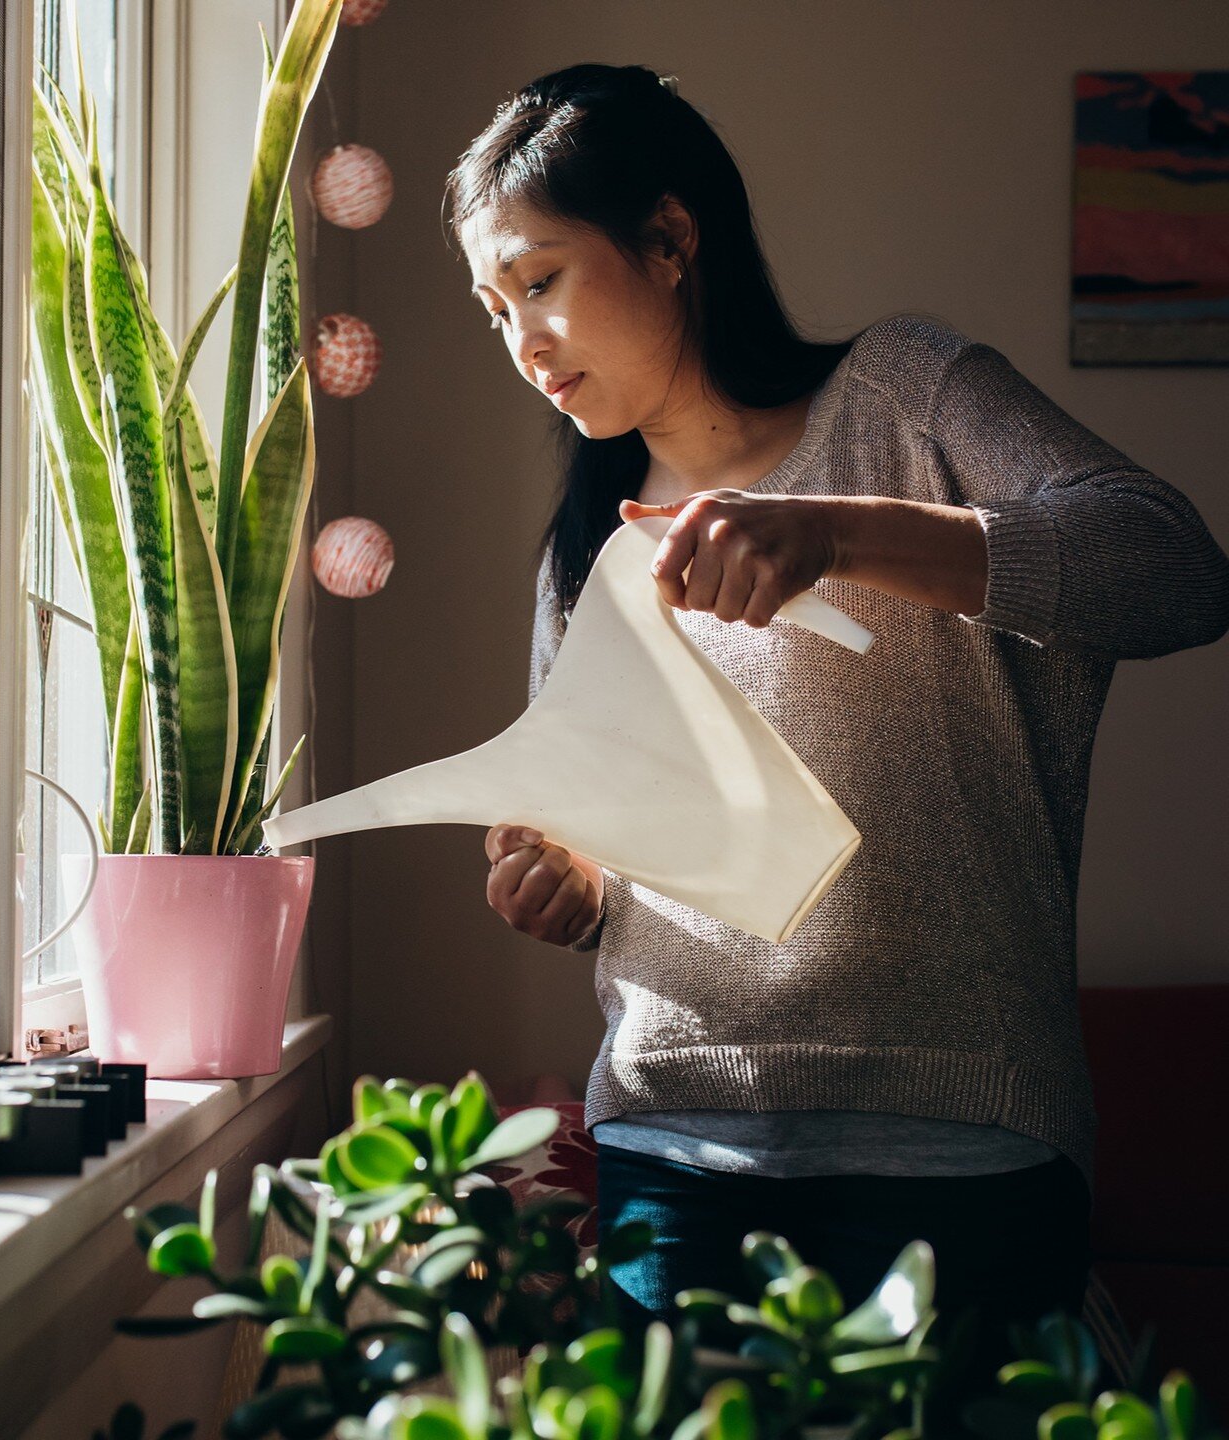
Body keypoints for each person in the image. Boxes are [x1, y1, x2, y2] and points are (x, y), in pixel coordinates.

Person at [445, 61, 1229, 1394]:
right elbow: (601, 852)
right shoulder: (582, 547)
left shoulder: (906, 398)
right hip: (670, 1154)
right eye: (490, 305)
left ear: (672, 240)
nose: (522, 337)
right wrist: (565, 879)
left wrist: (838, 535)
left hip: (967, 1148)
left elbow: (1173, 567)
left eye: (541, 278)